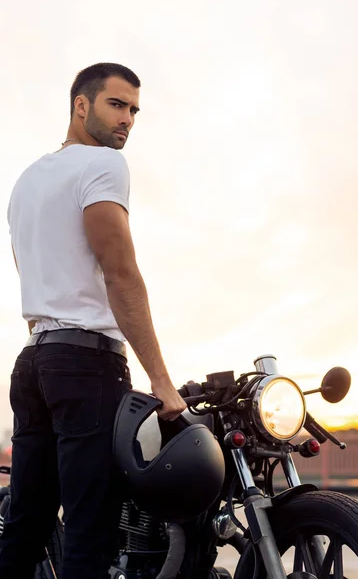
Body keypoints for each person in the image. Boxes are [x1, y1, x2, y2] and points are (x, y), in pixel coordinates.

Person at [0, 62, 187, 579]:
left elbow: (30, 270)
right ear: (81, 104)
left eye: (134, 110)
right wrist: (163, 382)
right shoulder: (103, 165)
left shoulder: (26, 181)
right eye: (116, 104)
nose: (127, 119)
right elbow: (120, 273)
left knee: (27, 523)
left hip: (35, 359)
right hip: (86, 363)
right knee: (91, 527)